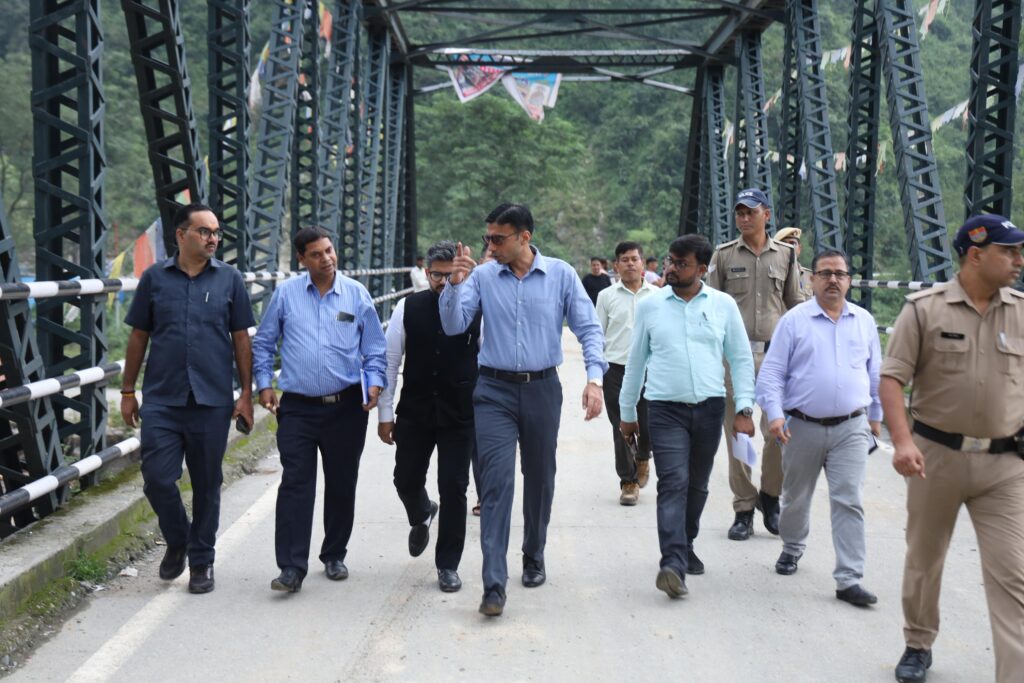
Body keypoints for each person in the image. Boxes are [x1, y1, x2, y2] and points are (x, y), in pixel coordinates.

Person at [439, 202, 607, 617]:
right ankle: (494, 585)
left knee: (540, 477)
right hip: (493, 390)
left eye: (498, 239)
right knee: (496, 484)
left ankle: (534, 552)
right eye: (488, 238)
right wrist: (454, 285)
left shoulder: (561, 275)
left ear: (524, 237)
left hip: (542, 389)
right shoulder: (481, 277)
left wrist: (594, 380)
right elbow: (454, 325)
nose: (490, 246)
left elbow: (588, 328)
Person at [880, 214, 1024, 683]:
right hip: (934, 458)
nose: (1019, 260)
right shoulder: (925, 310)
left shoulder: (1021, 312)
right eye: (1009, 251)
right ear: (976, 255)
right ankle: (918, 643)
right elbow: (892, 379)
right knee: (925, 559)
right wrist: (902, 442)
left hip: (1005, 464)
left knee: (1014, 574)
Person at [120, 203, 255, 594]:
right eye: (204, 231)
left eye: (216, 232)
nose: (213, 238)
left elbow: (241, 338)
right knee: (157, 479)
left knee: (207, 484)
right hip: (163, 398)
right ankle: (178, 538)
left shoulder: (229, 279)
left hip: (211, 400)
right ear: (181, 235)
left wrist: (246, 394)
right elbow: (138, 336)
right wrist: (127, 391)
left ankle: (201, 562)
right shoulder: (154, 278)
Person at [252, 227, 387, 594]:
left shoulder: (356, 294)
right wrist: (264, 384)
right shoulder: (286, 295)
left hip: (346, 406)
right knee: (296, 483)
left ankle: (334, 554)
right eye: (316, 254)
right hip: (297, 407)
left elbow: (375, 348)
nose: (326, 258)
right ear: (302, 259)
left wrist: (375, 382)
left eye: (329, 250)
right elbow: (264, 342)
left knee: (342, 483)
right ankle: (291, 567)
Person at [620, 234, 755, 598]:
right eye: (670, 261)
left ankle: (686, 541)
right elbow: (636, 361)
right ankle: (672, 563)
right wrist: (628, 412)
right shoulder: (651, 306)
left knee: (697, 484)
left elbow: (741, 358)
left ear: (702, 269)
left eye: (682, 264)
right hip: (665, 410)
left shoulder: (723, 305)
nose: (672, 269)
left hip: (710, 409)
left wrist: (744, 408)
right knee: (673, 482)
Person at [755, 247, 882, 607]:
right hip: (801, 425)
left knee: (849, 499)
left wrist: (876, 418)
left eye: (839, 274)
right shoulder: (794, 321)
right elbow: (772, 373)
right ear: (811, 280)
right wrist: (775, 414)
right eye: (825, 273)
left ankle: (849, 578)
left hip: (851, 426)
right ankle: (792, 546)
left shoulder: (864, 321)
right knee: (796, 497)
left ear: (849, 281)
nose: (832, 280)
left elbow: (875, 373)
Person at [377, 240, 482, 593]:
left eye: (451, 276)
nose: (443, 282)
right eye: (438, 275)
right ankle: (422, 511)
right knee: (405, 479)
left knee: (454, 487)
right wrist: (385, 413)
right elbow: (390, 361)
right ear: (426, 273)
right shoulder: (408, 307)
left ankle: (448, 565)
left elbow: (487, 359)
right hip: (416, 409)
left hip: (460, 412)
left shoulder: (476, 309)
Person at [708, 188, 803, 541]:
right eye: (740, 212)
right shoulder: (724, 255)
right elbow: (710, 306)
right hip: (734, 357)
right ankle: (744, 507)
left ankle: (770, 495)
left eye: (751, 212)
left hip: (777, 357)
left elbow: (796, 305)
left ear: (766, 215)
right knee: (740, 434)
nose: (744, 218)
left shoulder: (787, 256)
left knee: (778, 432)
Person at [596, 241, 658, 505]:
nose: (630, 263)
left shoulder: (657, 295)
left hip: (650, 369)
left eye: (634, 259)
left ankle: (643, 455)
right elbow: (597, 334)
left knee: (648, 422)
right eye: (625, 259)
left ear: (642, 264)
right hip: (616, 369)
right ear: (616, 265)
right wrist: (595, 375)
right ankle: (628, 481)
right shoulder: (606, 296)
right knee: (621, 425)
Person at [774, 226, 813, 300]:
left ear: (800, 248)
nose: (790, 247)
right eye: (784, 244)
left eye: (793, 243)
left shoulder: (809, 276)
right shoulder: (770, 274)